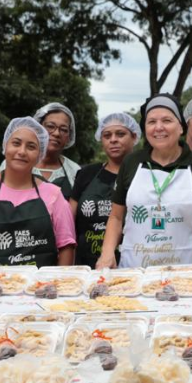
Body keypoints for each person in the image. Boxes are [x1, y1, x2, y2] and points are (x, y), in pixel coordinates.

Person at [96, 94, 192, 268]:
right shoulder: (131, 163)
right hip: (134, 271)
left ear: (181, 127)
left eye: (167, 120)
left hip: (185, 272)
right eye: (152, 122)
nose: (159, 127)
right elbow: (116, 217)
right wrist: (107, 253)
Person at [0, 118, 75, 267]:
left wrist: (60, 280)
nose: (22, 152)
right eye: (16, 143)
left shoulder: (53, 195)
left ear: (40, 154)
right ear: (5, 146)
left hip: (42, 281)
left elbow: (66, 246)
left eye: (31, 147)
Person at [70, 112, 141, 267]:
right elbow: (69, 220)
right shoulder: (86, 174)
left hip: (134, 265)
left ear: (134, 137)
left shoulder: (145, 174)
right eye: (107, 135)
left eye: (120, 134)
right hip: (86, 267)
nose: (113, 139)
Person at [0, 102, 81, 195]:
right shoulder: (14, 162)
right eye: (50, 126)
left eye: (64, 130)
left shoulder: (74, 171)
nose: (57, 133)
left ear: (69, 136)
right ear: (38, 128)